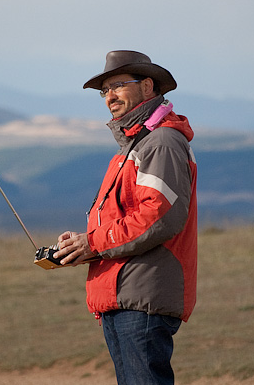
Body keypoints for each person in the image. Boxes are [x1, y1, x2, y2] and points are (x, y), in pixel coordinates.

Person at [54, 50, 198, 385]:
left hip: (142, 294)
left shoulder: (160, 143)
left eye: (118, 85)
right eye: (104, 90)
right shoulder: (133, 147)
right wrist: (81, 244)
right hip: (122, 293)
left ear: (148, 87)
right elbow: (128, 216)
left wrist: (93, 244)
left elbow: (158, 216)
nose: (109, 97)